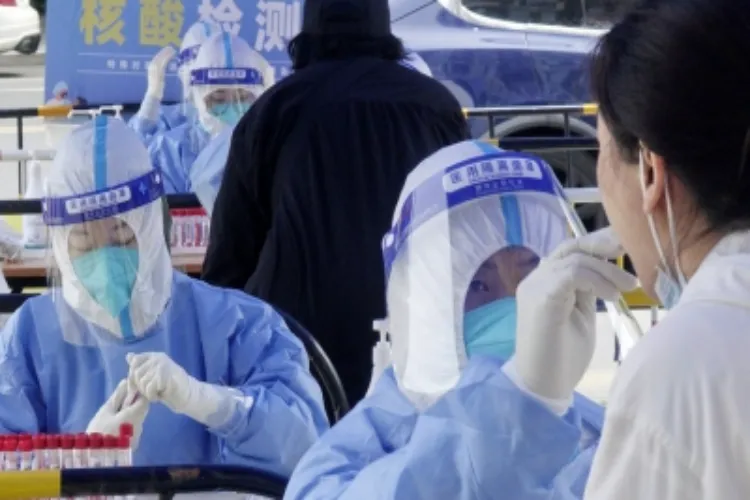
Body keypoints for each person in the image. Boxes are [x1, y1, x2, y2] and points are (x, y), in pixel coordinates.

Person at [0, 115, 328, 476]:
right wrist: (82, 456)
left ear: (155, 222)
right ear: (60, 246)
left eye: (123, 236)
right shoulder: (30, 336)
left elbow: (305, 445)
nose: (107, 259)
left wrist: (212, 403)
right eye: (83, 242)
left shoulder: (236, 324)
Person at [283, 140, 606, 499]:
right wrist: (522, 407)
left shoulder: (597, 434)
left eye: (532, 280)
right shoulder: (348, 461)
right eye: (480, 285)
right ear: (423, 304)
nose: (515, 306)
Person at [201, 0, 470, 406]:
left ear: (306, 35)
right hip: (419, 344)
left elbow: (230, 259)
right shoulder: (438, 108)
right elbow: (467, 230)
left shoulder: (273, 111)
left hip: (299, 356)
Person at [149, 31, 274, 193]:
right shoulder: (171, 151)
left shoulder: (271, 146)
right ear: (198, 99)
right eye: (218, 99)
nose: (232, 107)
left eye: (243, 97)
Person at [128, 20, 223, 147]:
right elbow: (134, 153)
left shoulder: (240, 112)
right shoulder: (168, 119)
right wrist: (152, 98)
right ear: (184, 74)